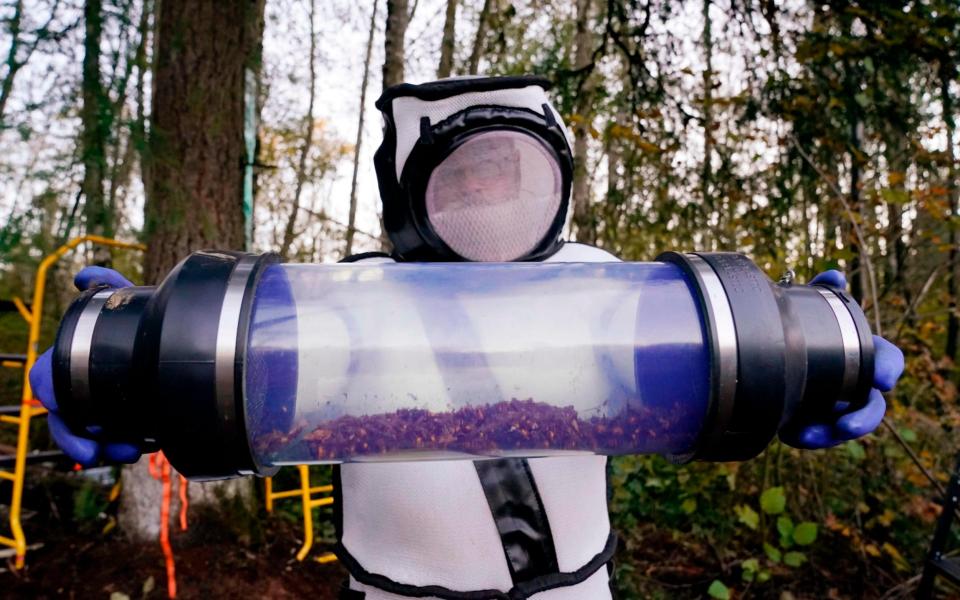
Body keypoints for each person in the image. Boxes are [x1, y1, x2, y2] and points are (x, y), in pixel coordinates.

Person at [31, 76, 905, 599]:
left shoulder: (615, 290)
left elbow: (714, 369)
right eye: (464, 178)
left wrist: (794, 360)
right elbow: (232, 382)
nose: (488, 200)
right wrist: (136, 367)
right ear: (412, 189)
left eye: (508, 174)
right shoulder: (337, 304)